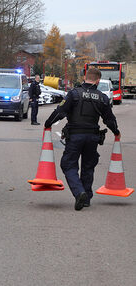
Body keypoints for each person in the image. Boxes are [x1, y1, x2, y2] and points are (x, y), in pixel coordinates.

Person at [44, 68, 120, 210]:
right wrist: (116, 131)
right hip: (92, 137)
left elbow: (60, 112)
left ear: (85, 78)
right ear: (98, 80)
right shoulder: (102, 97)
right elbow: (110, 119)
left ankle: (79, 193)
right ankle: (86, 199)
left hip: (75, 136)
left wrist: (48, 124)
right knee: (88, 166)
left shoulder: (74, 94)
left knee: (68, 164)